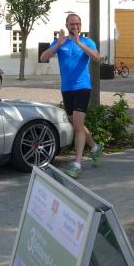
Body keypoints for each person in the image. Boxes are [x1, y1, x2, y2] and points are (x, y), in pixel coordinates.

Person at [40, 13, 102, 178]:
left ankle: (77, 164)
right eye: (72, 24)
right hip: (67, 89)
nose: (75, 27)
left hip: (83, 87)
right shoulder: (60, 41)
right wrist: (57, 45)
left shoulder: (87, 42)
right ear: (67, 25)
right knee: (77, 124)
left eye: (77, 24)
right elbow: (43, 58)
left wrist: (80, 43)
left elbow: (96, 58)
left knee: (77, 126)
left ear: (81, 25)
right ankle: (95, 147)